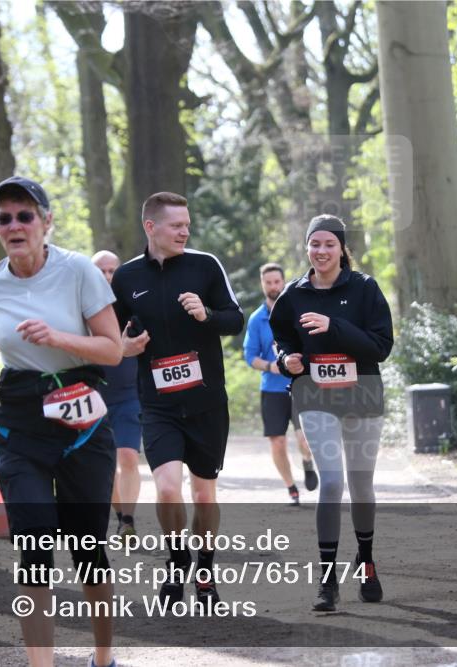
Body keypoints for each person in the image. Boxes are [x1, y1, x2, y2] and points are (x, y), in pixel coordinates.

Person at [0, 176, 120, 667]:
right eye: (5, 217)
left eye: (26, 215)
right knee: (34, 543)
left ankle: (103, 658)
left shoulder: (79, 271)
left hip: (81, 417)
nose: (15, 224)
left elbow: (111, 349)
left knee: (88, 549)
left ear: (46, 222)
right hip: (19, 421)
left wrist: (59, 337)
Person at [110, 192, 243, 612]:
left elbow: (235, 318)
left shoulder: (205, 266)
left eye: (187, 224)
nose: (185, 230)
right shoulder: (127, 278)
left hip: (205, 403)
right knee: (167, 490)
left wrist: (207, 315)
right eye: (176, 225)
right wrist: (126, 347)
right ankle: (176, 559)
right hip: (159, 404)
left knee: (204, 496)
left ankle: (204, 569)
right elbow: (111, 338)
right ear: (151, 227)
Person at [270, 214, 394, 613]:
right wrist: (287, 357)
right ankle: (327, 581)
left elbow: (379, 347)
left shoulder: (365, 289)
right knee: (332, 481)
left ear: (342, 249)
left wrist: (333, 326)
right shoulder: (294, 293)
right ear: (306, 247)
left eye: (328, 244)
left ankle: (366, 560)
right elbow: (282, 338)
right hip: (314, 395)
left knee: (361, 486)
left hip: (362, 394)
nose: (321, 251)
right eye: (314, 244)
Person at [243, 262, 317, 505]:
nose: (273, 287)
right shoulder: (256, 319)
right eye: (268, 282)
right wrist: (269, 366)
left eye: (277, 282)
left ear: (283, 282)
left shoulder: (295, 311)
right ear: (262, 285)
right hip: (271, 389)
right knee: (278, 441)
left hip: (300, 385)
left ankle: (307, 461)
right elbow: (250, 356)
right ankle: (291, 488)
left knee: (304, 439)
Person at [92, 250, 143, 537]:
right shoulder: (79, 309)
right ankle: (118, 513)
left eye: (113, 270)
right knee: (106, 464)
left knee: (128, 457)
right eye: (102, 270)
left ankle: (128, 520)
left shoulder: (132, 307)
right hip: (93, 396)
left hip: (128, 395)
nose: (107, 276)